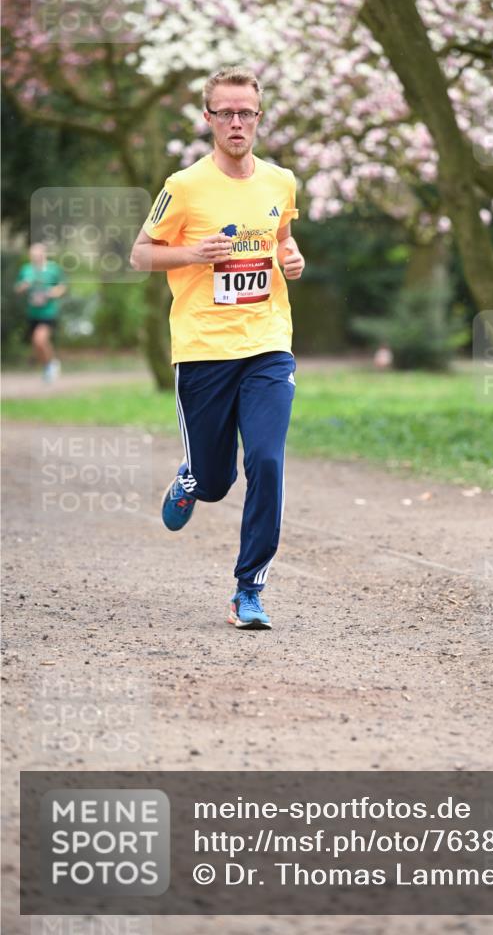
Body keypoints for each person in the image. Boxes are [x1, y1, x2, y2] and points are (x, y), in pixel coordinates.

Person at [130, 67, 305, 631]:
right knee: (215, 481)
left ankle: (248, 589)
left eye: (245, 112)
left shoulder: (281, 181)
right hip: (204, 348)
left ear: (258, 117)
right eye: (225, 113)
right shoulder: (184, 186)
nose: (236, 122)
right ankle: (192, 478)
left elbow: (282, 238)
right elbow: (140, 254)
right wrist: (191, 254)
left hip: (267, 342)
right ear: (208, 119)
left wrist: (292, 258)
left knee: (267, 461)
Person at [14, 243, 66, 382]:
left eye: (38, 254)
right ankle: (49, 364)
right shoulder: (26, 270)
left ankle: (51, 366)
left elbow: (62, 287)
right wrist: (24, 286)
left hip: (48, 312)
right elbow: (18, 289)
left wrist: (50, 293)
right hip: (32, 313)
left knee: (40, 340)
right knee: (37, 345)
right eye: (33, 255)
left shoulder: (53, 269)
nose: (36, 257)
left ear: (44, 254)